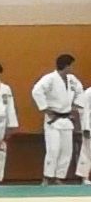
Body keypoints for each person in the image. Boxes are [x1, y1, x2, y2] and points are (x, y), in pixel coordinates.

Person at [31, 54, 85, 186]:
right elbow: (36, 91)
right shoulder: (50, 78)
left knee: (66, 150)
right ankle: (47, 176)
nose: (72, 68)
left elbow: (80, 91)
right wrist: (45, 108)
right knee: (53, 149)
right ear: (66, 66)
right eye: (71, 66)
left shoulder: (72, 79)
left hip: (66, 119)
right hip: (53, 119)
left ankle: (59, 177)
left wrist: (76, 105)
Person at [75, 86, 91, 185]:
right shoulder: (89, 92)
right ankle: (84, 177)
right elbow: (84, 112)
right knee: (87, 151)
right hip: (89, 125)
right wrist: (86, 128)